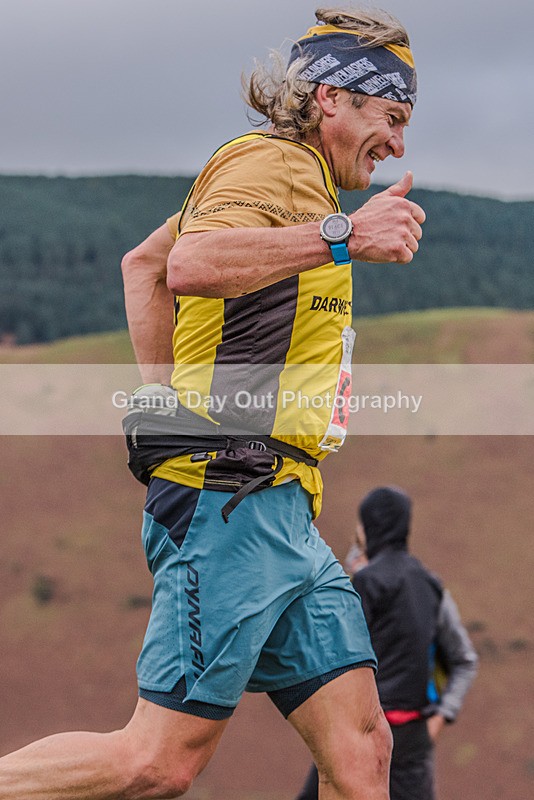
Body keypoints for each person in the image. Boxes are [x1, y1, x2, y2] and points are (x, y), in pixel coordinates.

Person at [0, 8, 426, 799]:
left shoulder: (294, 180)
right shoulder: (267, 163)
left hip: (285, 509)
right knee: (158, 762)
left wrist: (168, 400)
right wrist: (342, 236)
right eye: (391, 118)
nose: (399, 143)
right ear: (333, 98)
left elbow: (144, 264)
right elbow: (190, 264)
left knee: (363, 755)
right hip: (229, 496)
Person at [296, 486, 478, 800]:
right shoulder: (431, 586)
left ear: (369, 527)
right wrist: (440, 716)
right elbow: (464, 660)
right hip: (413, 739)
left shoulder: (364, 584)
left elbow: (329, 654)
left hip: (359, 734)